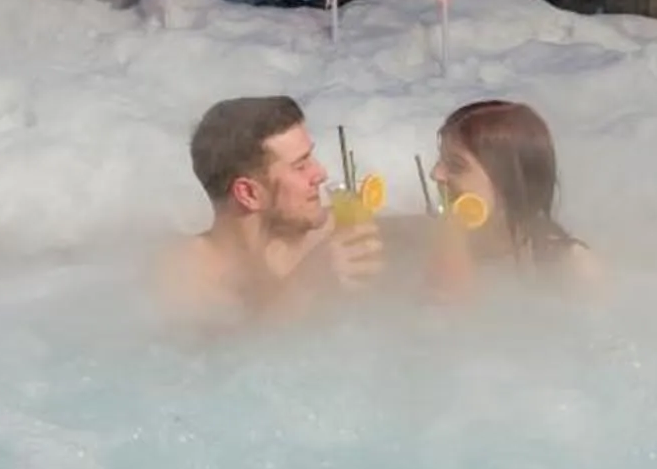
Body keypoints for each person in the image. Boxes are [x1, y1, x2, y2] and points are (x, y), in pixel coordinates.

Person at [160, 94, 384, 327]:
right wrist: (307, 284)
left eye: (311, 157)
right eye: (301, 166)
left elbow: (407, 242)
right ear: (248, 194)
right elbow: (228, 349)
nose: (321, 174)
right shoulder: (187, 274)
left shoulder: (332, 232)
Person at [426, 99, 602, 292]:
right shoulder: (425, 240)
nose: (435, 174)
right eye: (440, 159)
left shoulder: (568, 266)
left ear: (506, 182)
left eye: (456, 165)